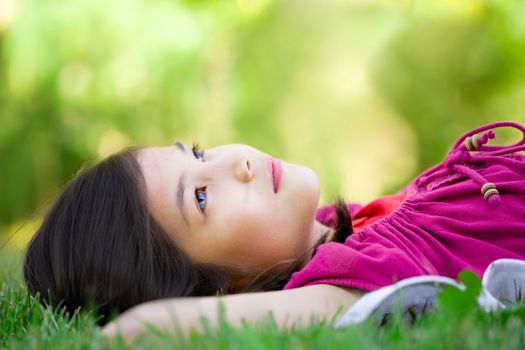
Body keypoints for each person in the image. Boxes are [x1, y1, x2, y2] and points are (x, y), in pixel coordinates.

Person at [23, 121, 525, 341]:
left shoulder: (339, 227)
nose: (236, 161)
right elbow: (146, 330)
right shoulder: (347, 280)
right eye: (201, 197)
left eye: (198, 152)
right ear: (219, 292)